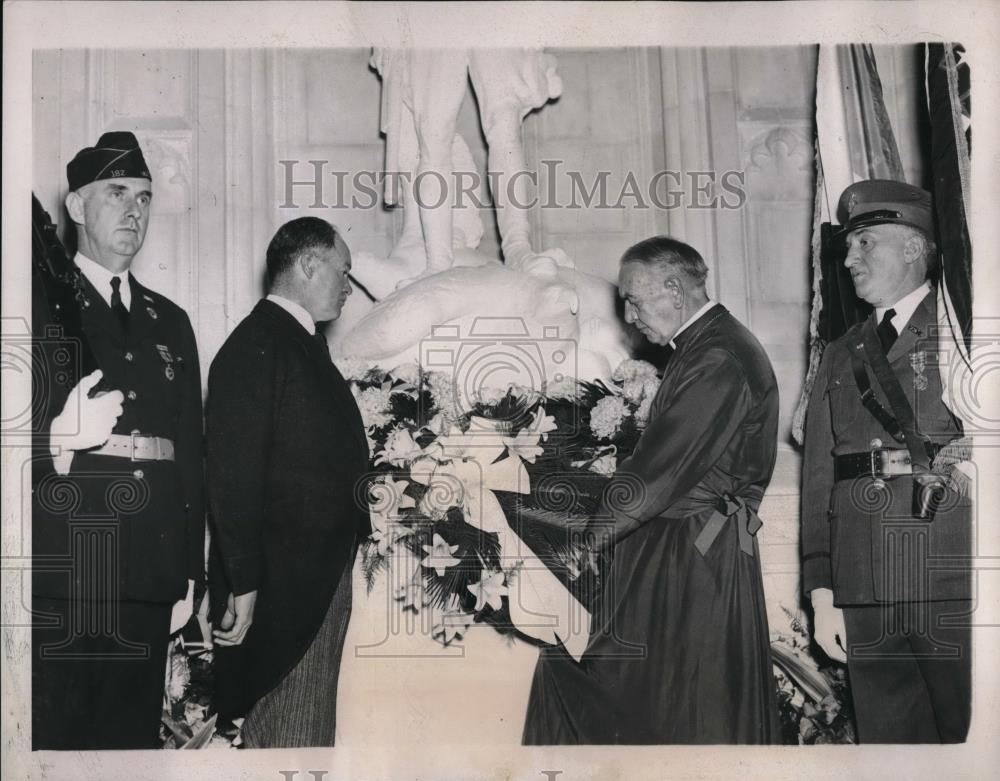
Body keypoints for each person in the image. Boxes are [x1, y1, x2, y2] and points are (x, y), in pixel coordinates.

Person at [523, 236, 780, 744]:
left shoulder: (717, 357)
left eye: (635, 299)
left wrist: (586, 543)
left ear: (674, 289)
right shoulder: (706, 347)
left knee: (663, 703)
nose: (629, 314)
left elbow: (659, 469)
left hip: (690, 555)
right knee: (668, 702)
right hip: (689, 548)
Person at [32, 131, 205, 749]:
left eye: (145, 197)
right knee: (59, 747)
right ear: (77, 206)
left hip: (149, 571)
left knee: (130, 750)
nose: (135, 210)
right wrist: (56, 440)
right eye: (117, 192)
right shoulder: (36, 306)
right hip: (66, 564)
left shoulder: (171, 320)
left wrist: (190, 571)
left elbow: (189, 453)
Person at [800, 179, 972, 743]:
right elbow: (819, 478)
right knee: (891, 748)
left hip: (946, 570)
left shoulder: (964, 332)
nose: (848, 259)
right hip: (861, 580)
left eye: (865, 242)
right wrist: (822, 591)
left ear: (915, 247)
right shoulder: (838, 352)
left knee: (970, 740)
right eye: (848, 246)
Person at [206, 217, 370, 747]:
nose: (349, 286)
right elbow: (234, 479)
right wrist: (245, 585)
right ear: (307, 264)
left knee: (306, 728)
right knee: (292, 733)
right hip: (287, 590)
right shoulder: (259, 344)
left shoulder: (297, 343)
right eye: (342, 272)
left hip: (313, 581)